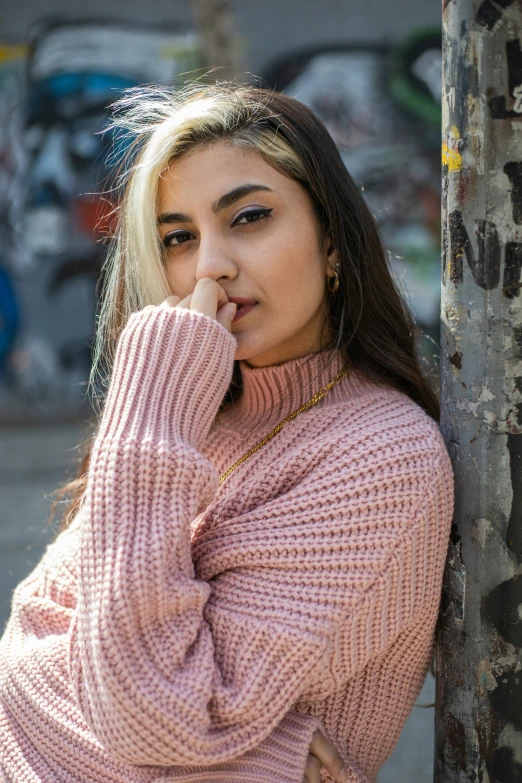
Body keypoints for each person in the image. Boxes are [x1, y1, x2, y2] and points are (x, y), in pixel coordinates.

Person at [0, 81, 454, 783]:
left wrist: (151, 401)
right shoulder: (199, 413)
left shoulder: (382, 453)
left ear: (332, 242)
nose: (210, 264)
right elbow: (25, 645)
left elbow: (141, 711)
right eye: (178, 236)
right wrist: (262, 755)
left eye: (248, 217)